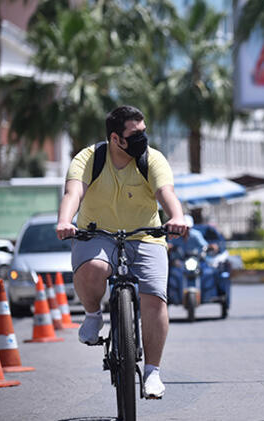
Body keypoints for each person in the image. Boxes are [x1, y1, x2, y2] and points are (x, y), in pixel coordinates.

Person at [55, 105, 187, 399]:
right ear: (116, 139)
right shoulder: (89, 158)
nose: (144, 138)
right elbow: (73, 193)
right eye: (135, 134)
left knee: (154, 297)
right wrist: (65, 221)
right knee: (94, 268)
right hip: (96, 232)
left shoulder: (151, 159)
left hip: (145, 235)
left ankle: (153, 372)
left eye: (144, 131)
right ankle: (92, 315)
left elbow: (167, 193)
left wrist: (176, 216)